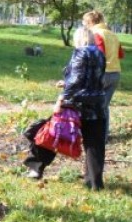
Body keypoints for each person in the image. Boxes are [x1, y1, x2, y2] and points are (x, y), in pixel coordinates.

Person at [24, 27, 106, 190]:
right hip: (96, 103)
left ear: (79, 39)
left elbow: (76, 82)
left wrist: (61, 99)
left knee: (49, 133)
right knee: (94, 145)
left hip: (76, 105)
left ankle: (36, 168)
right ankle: (95, 183)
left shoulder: (79, 53)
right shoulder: (100, 54)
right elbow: (92, 79)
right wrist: (67, 82)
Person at [82, 11, 124, 142]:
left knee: (93, 105)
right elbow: (121, 54)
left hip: (101, 73)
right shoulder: (112, 34)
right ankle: (103, 136)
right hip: (115, 73)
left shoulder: (95, 34)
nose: (83, 25)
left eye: (84, 22)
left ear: (90, 22)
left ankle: (94, 136)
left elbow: (99, 54)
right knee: (104, 106)